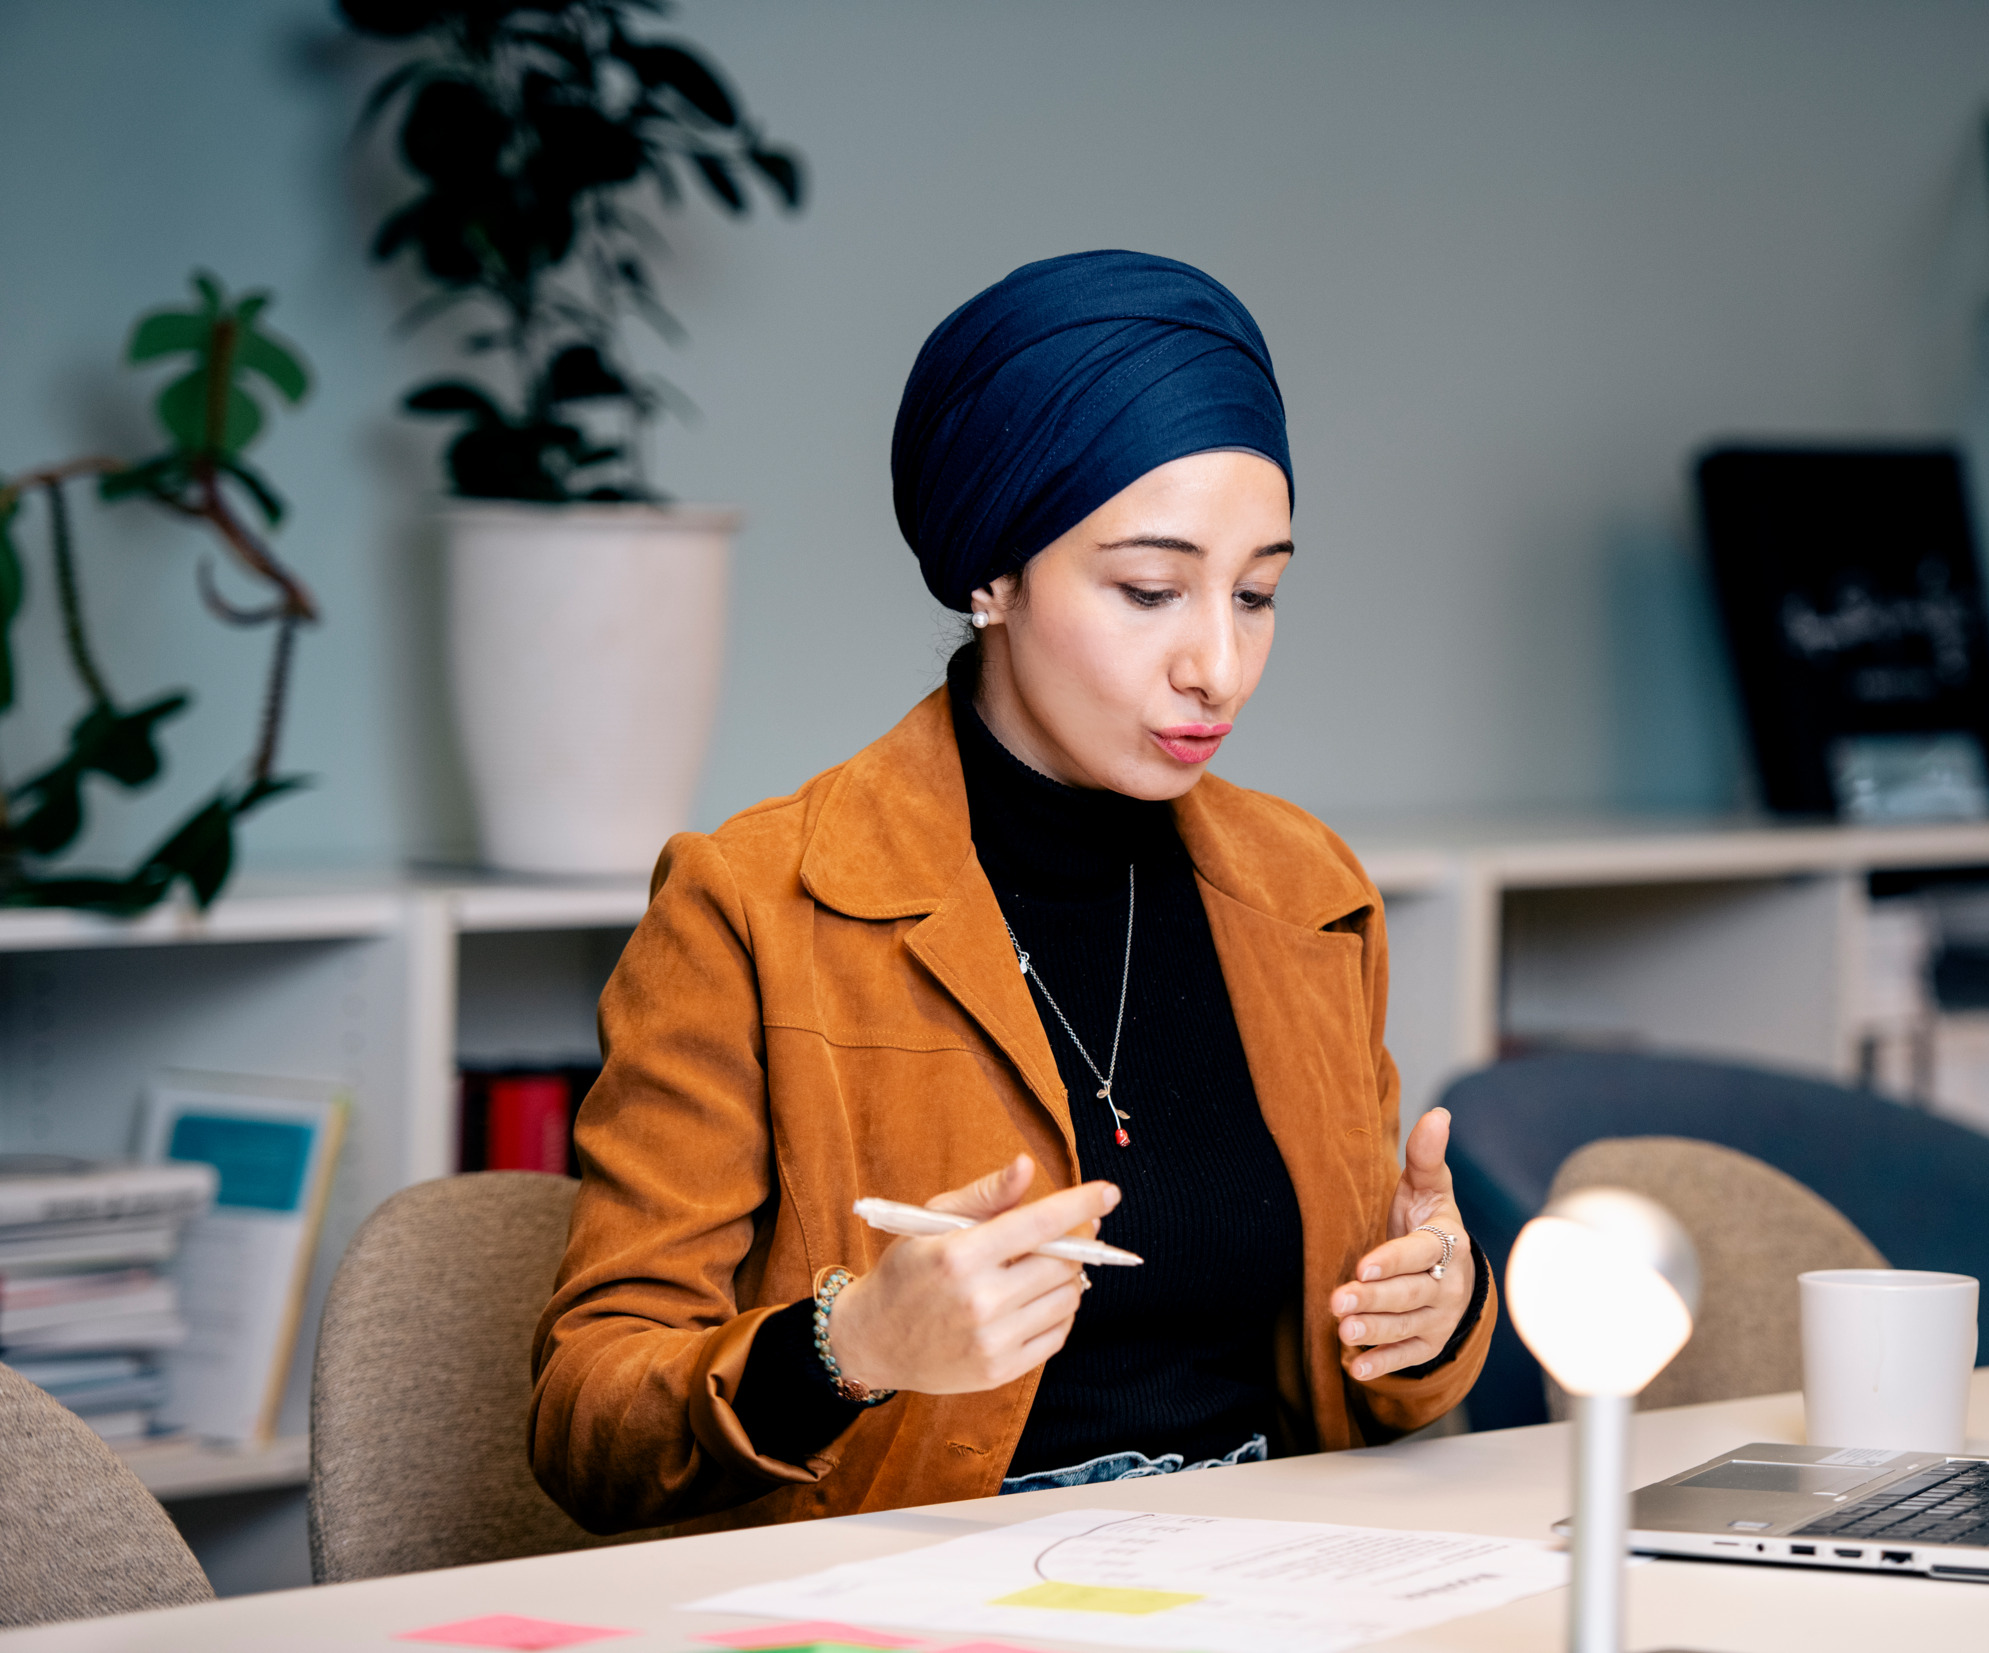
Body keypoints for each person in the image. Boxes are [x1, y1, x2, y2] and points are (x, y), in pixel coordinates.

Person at [531, 250, 1495, 1534]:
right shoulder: (752, 905)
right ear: (993, 576)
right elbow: (586, 1422)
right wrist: (848, 1345)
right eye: (1150, 591)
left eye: (1257, 593)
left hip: (1280, 1567)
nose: (1219, 664)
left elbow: (1380, 1402)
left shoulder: (1303, 889)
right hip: (935, 1599)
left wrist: (1432, 1312)